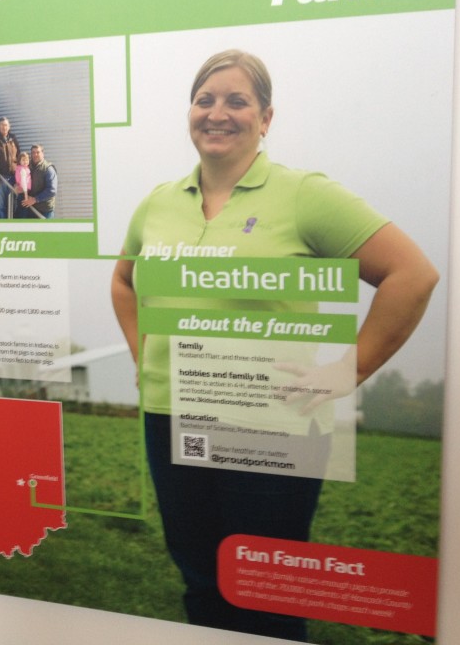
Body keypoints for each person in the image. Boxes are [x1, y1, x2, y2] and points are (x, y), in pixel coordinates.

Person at [110, 50, 438, 641]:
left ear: (266, 118)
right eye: (205, 99)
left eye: (237, 101)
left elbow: (411, 275)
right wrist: (143, 354)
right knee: (200, 579)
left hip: (273, 424)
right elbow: (123, 280)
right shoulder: (159, 202)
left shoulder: (302, 195)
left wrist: (347, 372)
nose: (218, 113)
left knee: (264, 589)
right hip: (172, 416)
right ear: (190, 111)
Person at [20, 143, 57, 219]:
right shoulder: (27, 167)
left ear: (43, 153)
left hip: (45, 211)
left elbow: (52, 190)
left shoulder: (48, 169)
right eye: (33, 152)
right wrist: (17, 185)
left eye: (38, 152)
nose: (35, 154)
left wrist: (35, 199)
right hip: (31, 209)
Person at [13, 151, 31, 216]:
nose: (25, 161)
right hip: (23, 193)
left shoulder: (22, 168)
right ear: (19, 161)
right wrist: (26, 195)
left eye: (27, 160)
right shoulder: (23, 170)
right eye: (23, 160)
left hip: (21, 192)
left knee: (20, 209)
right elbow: (23, 182)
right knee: (24, 212)